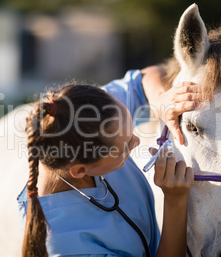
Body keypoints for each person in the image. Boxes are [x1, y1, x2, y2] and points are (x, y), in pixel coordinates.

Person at [17, 66, 201, 257]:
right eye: (125, 147)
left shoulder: (92, 113)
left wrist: (160, 99)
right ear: (80, 170)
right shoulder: (65, 246)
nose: (136, 142)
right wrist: (175, 202)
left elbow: (147, 76)